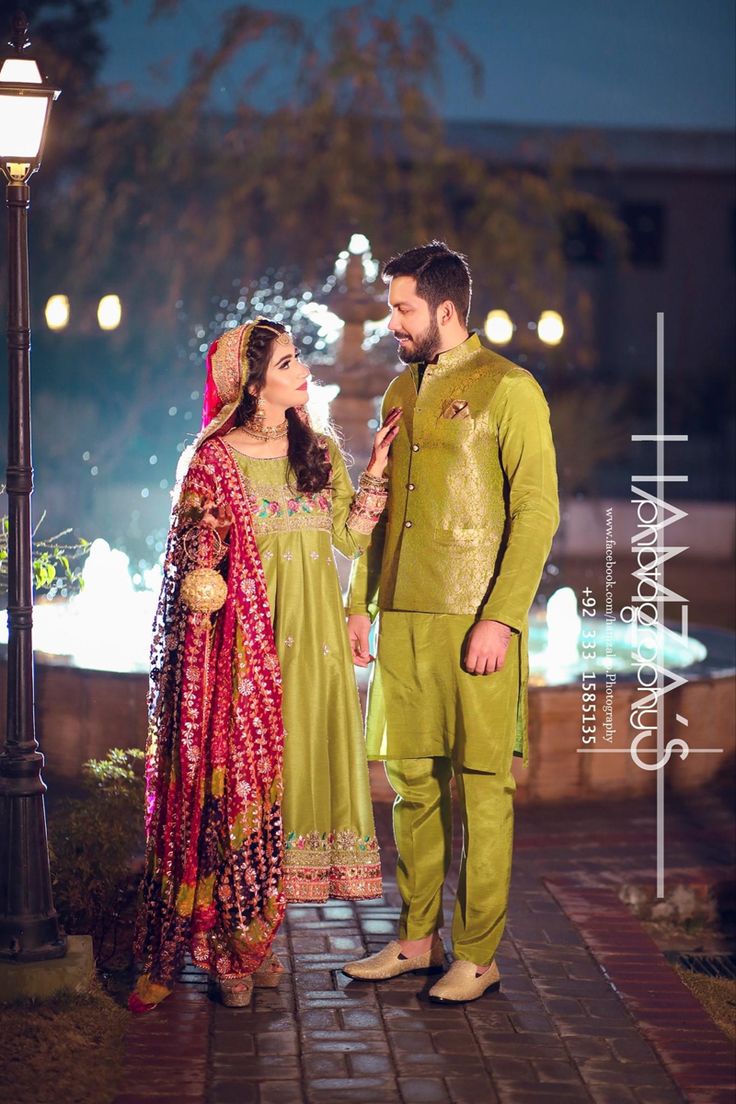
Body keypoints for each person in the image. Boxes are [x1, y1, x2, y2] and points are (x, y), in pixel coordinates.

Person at [130, 318, 400, 1011]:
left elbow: (347, 533)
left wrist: (373, 472)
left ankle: (256, 935)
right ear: (252, 385)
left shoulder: (317, 450)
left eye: (298, 358)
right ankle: (230, 953)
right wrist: (205, 558)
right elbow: (192, 569)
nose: (302, 369)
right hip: (248, 652)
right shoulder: (214, 462)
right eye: (287, 362)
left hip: (314, 648)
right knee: (243, 792)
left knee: (294, 782)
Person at [342, 242, 559, 1003]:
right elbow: (387, 512)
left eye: (401, 308)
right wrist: (360, 604)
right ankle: (415, 940)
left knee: (482, 784)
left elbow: (536, 514)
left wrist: (500, 619)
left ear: (443, 308)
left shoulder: (511, 389)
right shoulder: (399, 391)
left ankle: (479, 953)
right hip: (400, 617)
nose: (390, 322)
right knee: (411, 788)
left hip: (476, 625)